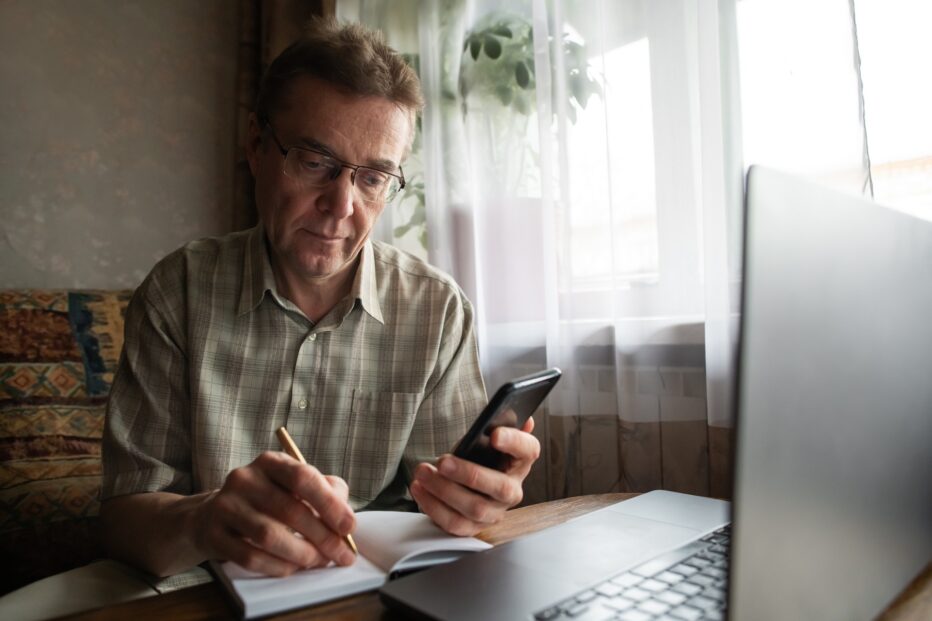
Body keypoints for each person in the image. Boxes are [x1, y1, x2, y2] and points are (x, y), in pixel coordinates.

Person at [98, 16, 541, 583]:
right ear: (257, 146)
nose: (342, 205)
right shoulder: (177, 292)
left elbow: (450, 513)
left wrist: (478, 498)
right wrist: (203, 521)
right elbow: (121, 519)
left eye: (374, 177)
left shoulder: (437, 311)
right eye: (315, 162)